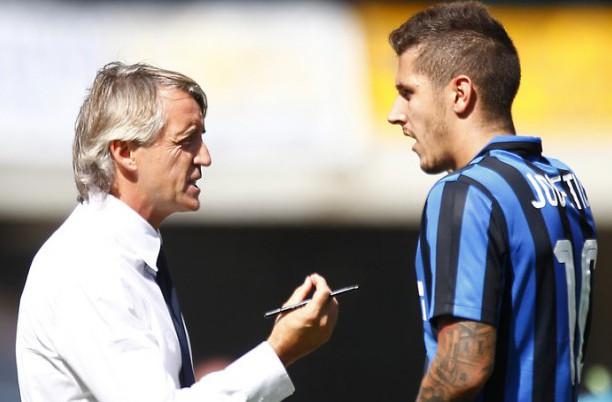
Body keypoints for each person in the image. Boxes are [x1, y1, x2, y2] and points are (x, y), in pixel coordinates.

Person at [16, 62, 339, 401]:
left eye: (201, 138)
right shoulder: (87, 264)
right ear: (125, 152)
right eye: (186, 140)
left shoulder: (119, 255)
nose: (205, 157)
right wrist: (279, 351)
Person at [387, 2, 597, 401]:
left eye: (407, 93)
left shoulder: (466, 193)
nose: (395, 114)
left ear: (460, 93)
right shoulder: (563, 180)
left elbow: (463, 369)